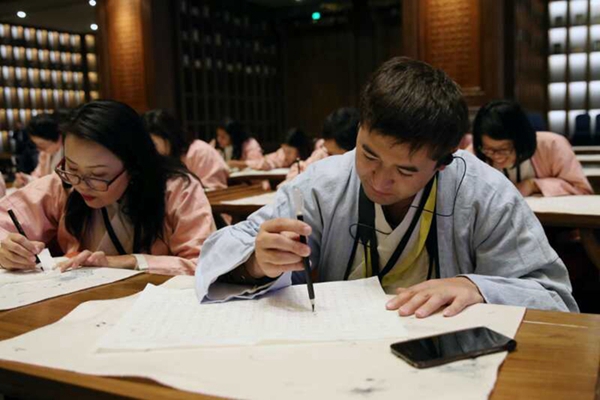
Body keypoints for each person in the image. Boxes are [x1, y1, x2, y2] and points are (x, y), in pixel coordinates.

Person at [195, 57, 577, 316]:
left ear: (443, 163)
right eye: (369, 154)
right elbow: (219, 252)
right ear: (359, 129)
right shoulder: (321, 183)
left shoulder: (484, 194)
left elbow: (555, 297)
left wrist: (478, 288)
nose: (379, 180)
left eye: (406, 170)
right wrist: (255, 262)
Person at [0, 100, 215, 275]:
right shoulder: (63, 185)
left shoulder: (177, 190)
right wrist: (6, 248)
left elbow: (205, 263)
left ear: (133, 165)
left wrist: (128, 262)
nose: (81, 184)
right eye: (72, 167)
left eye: (98, 175)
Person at [469, 100, 593, 197]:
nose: (496, 156)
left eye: (504, 149)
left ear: (521, 139)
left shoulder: (552, 145)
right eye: (489, 149)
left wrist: (533, 185)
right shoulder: (473, 154)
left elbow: (582, 190)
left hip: (554, 225)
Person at [143, 109, 229, 190]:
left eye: (153, 144)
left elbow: (215, 190)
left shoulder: (200, 151)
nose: (148, 150)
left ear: (169, 137)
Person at [284, 107, 359, 182]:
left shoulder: (361, 170)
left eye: (331, 154)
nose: (327, 155)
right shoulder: (322, 153)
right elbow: (302, 169)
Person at [14, 112, 64, 188]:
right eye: (36, 144)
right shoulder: (44, 154)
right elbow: (39, 177)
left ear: (59, 139)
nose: (39, 148)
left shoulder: (68, 155)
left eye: (42, 145)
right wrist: (26, 179)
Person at [244, 128, 312, 171]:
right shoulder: (282, 155)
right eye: (284, 151)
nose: (286, 156)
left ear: (300, 149)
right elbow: (265, 162)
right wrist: (266, 163)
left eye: (289, 152)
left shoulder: (312, 155)